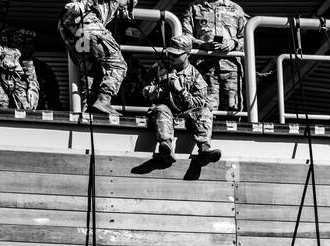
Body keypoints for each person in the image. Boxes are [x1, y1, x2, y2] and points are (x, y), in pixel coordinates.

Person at [142, 33, 221, 166]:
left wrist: (181, 90)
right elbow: (145, 92)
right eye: (170, 53)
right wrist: (164, 86)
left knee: (205, 112)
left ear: (187, 54)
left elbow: (200, 102)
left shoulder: (195, 75)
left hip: (186, 113)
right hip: (165, 111)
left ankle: (204, 150)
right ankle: (166, 147)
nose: (171, 57)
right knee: (160, 109)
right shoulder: (160, 68)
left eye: (176, 54)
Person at [58, 0, 136, 114]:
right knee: (119, 65)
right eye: (128, 5)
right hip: (87, 23)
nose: (125, 9)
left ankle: (89, 107)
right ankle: (104, 99)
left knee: (92, 70)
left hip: (67, 27)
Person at [181, 0, 248, 114]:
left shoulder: (236, 9)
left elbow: (247, 37)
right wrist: (202, 44)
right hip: (204, 70)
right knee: (206, 111)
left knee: (233, 110)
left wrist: (234, 43)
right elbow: (184, 37)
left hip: (231, 70)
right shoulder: (194, 8)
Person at [0, 0, 40, 110]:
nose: (1, 9)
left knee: (25, 111)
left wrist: (33, 85)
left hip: (17, 80)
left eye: (4, 6)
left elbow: (27, 61)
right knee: (0, 108)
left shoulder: (16, 34)